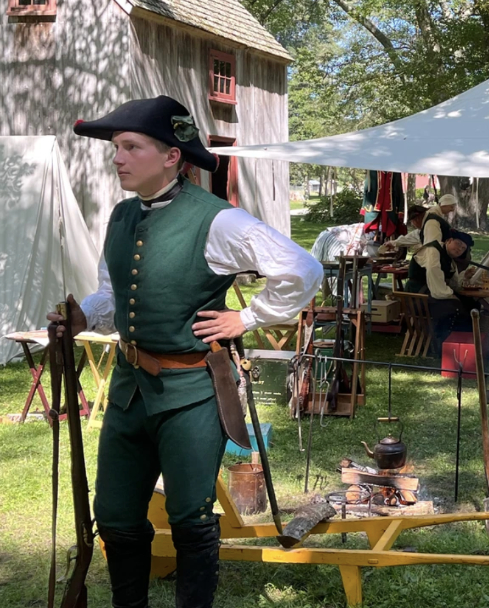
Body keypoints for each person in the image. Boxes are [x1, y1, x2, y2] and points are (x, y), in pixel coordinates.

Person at [48, 96, 323, 608]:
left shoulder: (218, 221)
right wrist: (87, 316)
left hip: (192, 390)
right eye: (116, 147)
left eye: (131, 146)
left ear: (172, 156)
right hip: (130, 391)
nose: (119, 157)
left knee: (191, 518)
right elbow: (113, 293)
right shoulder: (123, 215)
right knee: (114, 517)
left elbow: (303, 269)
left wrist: (249, 316)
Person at [404, 232, 475, 342]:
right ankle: (443, 343)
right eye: (458, 243)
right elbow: (434, 275)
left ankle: (465, 343)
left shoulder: (449, 260)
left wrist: (465, 277)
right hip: (417, 295)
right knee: (453, 307)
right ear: (449, 240)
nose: (459, 249)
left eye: (463, 248)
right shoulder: (433, 251)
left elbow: (454, 284)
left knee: (471, 303)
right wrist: (450, 296)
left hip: (431, 292)